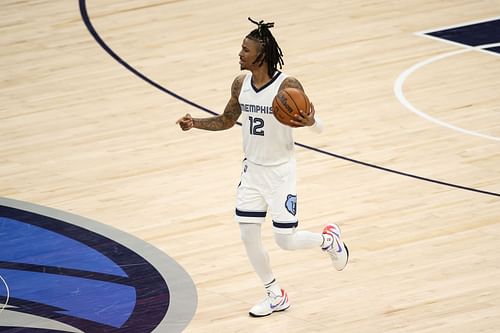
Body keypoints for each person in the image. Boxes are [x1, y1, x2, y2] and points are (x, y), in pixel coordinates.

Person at [176, 17, 349, 317]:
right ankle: (274, 294)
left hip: (281, 173)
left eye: (245, 49)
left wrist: (311, 121)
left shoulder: (288, 86)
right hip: (252, 172)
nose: (239, 54)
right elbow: (227, 120)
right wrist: (196, 124)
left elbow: (318, 126)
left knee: (285, 240)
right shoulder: (240, 83)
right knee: (247, 235)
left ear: (262, 54)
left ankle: (329, 240)